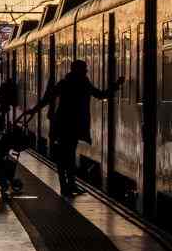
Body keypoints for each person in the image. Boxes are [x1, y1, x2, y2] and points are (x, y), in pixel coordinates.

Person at [22, 60, 123, 196]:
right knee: (68, 155)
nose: (87, 71)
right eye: (84, 69)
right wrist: (116, 85)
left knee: (64, 157)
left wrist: (33, 110)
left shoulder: (64, 83)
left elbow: (47, 98)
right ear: (79, 70)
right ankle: (69, 186)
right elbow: (101, 95)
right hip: (74, 126)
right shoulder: (84, 84)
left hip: (61, 125)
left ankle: (67, 185)